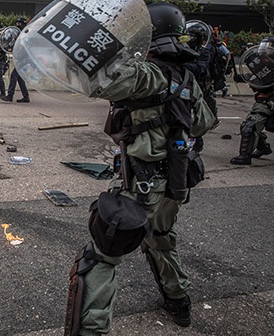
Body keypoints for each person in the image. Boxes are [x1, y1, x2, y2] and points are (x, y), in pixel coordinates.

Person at [63, 3, 214, 335]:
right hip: (175, 184)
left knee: (102, 256)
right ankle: (179, 302)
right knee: (161, 239)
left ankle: (90, 330)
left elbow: (101, 82)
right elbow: (203, 123)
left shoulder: (149, 74)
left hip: (142, 185)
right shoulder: (187, 78)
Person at [230, 38, 274, 165]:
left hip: (270, 101)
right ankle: (260, 148)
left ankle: (248, 155)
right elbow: (258, 78)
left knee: (252, 125)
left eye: (269, 47)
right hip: (265, 100)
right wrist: (243, 78)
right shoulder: (264, 64)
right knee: (250, 125)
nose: (265, 50)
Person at [184, 20, 217, 152]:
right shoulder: (185, 48)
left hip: (200, 87)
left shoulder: (204, 51)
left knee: (195, 117)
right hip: (186, 84)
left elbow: (200, 68)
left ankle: (197, 144)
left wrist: (182, 66)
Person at [0, 17, 29, 103]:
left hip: (25, 58)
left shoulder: (26, 34)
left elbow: (24, 47)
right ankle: (26, 97)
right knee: (19, 78)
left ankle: (10, 95)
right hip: (22, 58)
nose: (17, 25)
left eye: (19, 24)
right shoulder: (21, 34)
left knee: (14, 76)